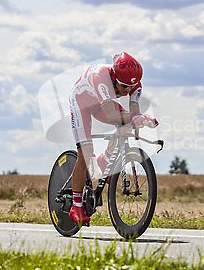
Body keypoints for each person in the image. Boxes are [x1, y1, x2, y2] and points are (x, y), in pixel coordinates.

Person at [68, 52, 158, 224]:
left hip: (101, 103)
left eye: (129, 87)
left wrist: (141, 119)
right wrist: (134, 118)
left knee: (126, 124)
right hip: (81, 103)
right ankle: (76, 205)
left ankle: (105, 161)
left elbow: (133, 113)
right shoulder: (101, 77)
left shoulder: (134, 84)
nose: (126, 91)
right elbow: (111, 115)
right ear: (114, 77)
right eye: (123, 86)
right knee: (85, 153)